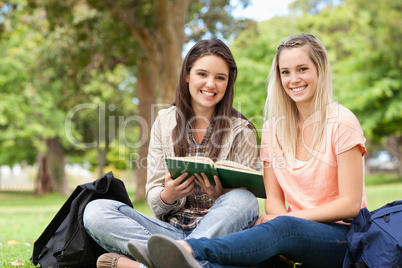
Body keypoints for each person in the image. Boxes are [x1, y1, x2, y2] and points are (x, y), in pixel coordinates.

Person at [133, 33, 368, 268]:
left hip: (340, 235)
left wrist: (286, 220)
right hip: (289, 230)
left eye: (303, 69)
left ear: (321, 70)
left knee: (270, 223)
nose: (293, 79)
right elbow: (273, 201)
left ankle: (188, 249)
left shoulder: (341, 121)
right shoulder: (273, 129)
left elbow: (350, 204)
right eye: (285, 72)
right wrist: (282, 221)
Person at [83, 38, 260, 268]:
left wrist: (219, 195)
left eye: (220, 78)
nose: (211, 84)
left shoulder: (241, 131)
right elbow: (155, 199)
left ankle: (153, 263)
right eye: (202, 74)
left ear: (228, 82)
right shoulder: (165, 122)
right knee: (96, 210)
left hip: (218, 235)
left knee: (244, 199)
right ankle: (179, 259)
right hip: (169, 231)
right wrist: (169, 194)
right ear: (187, 75)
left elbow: (240, 207)